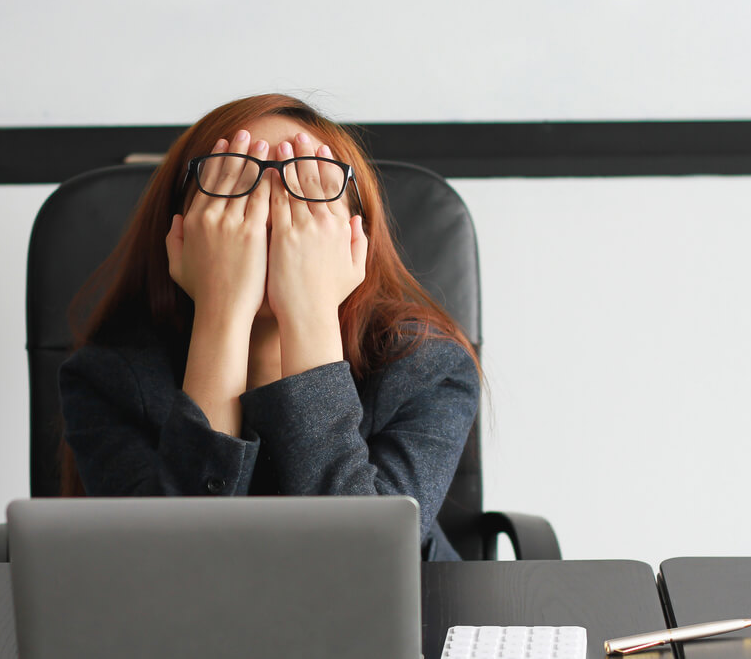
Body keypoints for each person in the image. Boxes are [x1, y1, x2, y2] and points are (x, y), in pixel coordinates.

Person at [58, 93, 479, 561]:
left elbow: (363, 563)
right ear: (181, 231)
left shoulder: (427, 367)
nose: (272, 216)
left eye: (311, 188)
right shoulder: (106, 380)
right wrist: (220, 312)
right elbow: (172, 570)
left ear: (356, 237)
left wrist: (311, 314)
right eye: (234, 184)